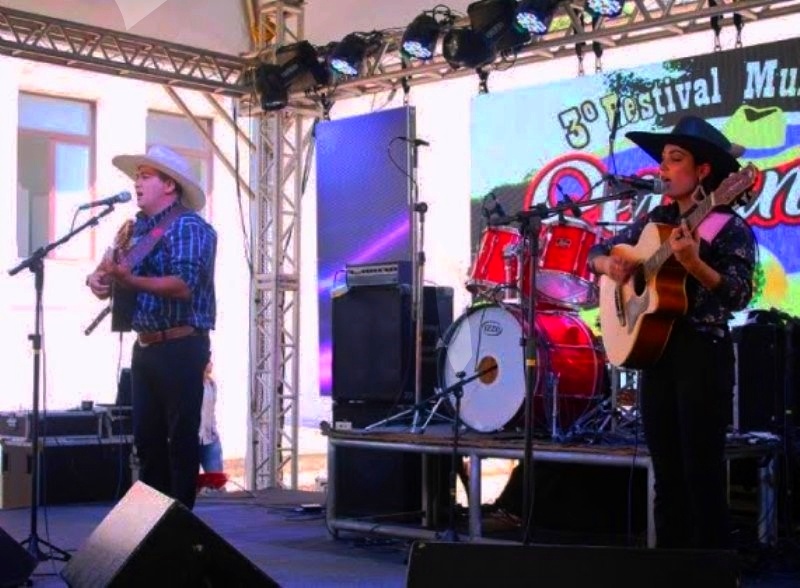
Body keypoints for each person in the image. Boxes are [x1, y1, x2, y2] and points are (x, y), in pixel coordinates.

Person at [587, 115, 756, 549]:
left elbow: (739, 295)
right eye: (662, 159)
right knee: (666, 478)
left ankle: (711, 572)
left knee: (701, 475)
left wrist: (694, 263)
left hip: (702, 355)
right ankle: (669, 569)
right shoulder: (656, 220)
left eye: (675, 159)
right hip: (657, 355)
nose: (663, 168)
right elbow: (597, 252)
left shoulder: (728, 226)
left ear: (704, 171)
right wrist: (610, 265)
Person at [86, 144, 217, 510]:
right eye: (137, 177)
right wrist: (97, 280)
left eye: (145, 176)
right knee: (146, 440)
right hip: (145, 346)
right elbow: (109, 271)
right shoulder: (133, 228)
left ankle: (180, 519)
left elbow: (184, 285)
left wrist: (128, 280)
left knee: (180, 439)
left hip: (181, 345)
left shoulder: (189, 226)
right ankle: (152, 520)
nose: (137, 183)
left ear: (169, 185)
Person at [199, 359, 224, 474]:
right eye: (208, 360)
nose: (211, 364)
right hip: (191, 440)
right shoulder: (188, 385)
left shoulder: (211, 384)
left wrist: (214, 431)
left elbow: (210, 412)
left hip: (210, 439)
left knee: (216, 478)